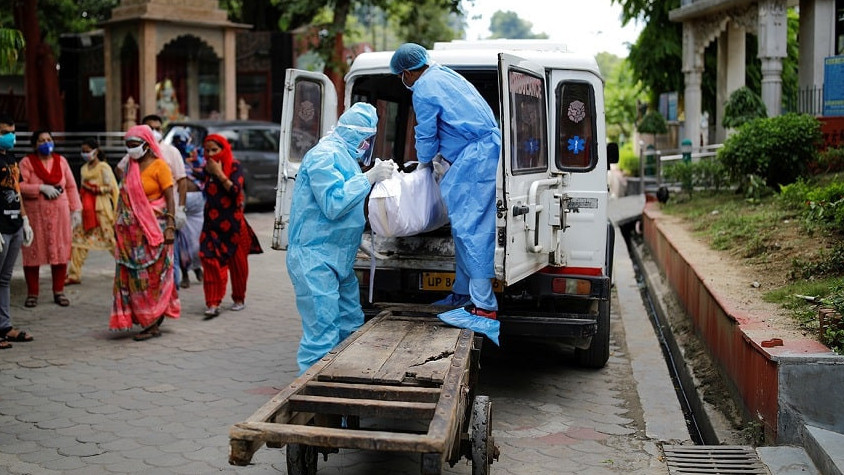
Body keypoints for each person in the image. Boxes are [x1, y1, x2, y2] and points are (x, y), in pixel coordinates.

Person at [390, 43, 501, 320]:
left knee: (471, 230)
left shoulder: (424, 89)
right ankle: (463, 294)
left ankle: (484, 306)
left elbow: (426, 134)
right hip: (477, 155)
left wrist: (424, 164)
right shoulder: (444, 75)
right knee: (462, 230)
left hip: (474, 161)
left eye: (400, 76)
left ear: (407, 73)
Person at [286, 102, 396, 374]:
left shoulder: (344, 156)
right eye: (366, 140)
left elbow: (343, 211)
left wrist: (355, 237)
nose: (367, 146)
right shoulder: (323, 156)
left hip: (337, 257)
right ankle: (316, 406)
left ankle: (344, 392)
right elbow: (334, 203)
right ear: (358, 136)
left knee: (350, 325)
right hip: (315, 259)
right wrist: (369, 177)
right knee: (322, 334)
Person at [110, 125, 180, 341]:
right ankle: (144, 319)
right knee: (134, 279)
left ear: (147, 145)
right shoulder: (130, 167)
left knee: (155, 277)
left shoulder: (160, 166)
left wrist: (170, 226)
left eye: (134, 145)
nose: (131, 149)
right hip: (131, 237)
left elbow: (169, 198)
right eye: (127, 145)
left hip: (156, 232)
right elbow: (124, 199)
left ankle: (153, 322)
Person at [116, 115, 187, 286]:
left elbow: (180, 182)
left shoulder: (167, 156)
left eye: (157, 128)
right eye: (150, 128)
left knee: (165, 268)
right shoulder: (130, 163)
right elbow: (122, 184)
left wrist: (179, 211)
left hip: (160, 222)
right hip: (134, 229)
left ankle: (166, 299)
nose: (154, 131)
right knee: (136, 276)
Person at [198, 134, 263, 318]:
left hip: (233, 225)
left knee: (238, 265)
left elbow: (235, 192)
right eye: (207, 150)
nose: (210, 154)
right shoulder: (205, 169)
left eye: (214, 150)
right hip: (211, 224)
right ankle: (212, 302)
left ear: (224, 150)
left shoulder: (234, 166)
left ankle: (239, 298)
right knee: (209, 261)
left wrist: (219, 174)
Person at [19, 130, 82, 308]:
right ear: (34, 145)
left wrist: (76, 210)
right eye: (41, 140)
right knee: (33, 253)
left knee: (61, 252)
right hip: (35, 215)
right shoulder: (27, 162)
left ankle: (59, 291)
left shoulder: (61, 161)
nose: (46, 143)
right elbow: (19, 185)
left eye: (48, 140)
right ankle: (32, 293)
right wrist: (40, 188)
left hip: (59, 214)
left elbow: (70, 185)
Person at [0, 113, 35, 349]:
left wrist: (25, 218)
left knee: (4, 279)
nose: (10, 136)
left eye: (12, 132)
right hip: (0, 228)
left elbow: (17, 190)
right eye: (4, 132)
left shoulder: (11, 158)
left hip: (14, 225)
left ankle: (4, 326)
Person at [66, 138, 119, 285]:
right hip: (86, 209)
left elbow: (111, 187)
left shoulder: (103, 167)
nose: (85, 153)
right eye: (83, 151)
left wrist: (95, 189)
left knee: (111, 241)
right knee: (78, 241)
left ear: (96, 151)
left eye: (87, 150)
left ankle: (127, 270)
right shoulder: (83, 169)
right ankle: (74, 274)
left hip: (101, 209)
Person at [172, 129, 204, 288]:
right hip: (181, 202)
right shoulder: (171, 154)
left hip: (197, 203)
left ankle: (197, 267)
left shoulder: (196, 154)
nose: (180, 142)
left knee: (197, 241)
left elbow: (203, 172)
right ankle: (185, 274)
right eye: (177, 139)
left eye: (182, 139)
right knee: (183, 242)